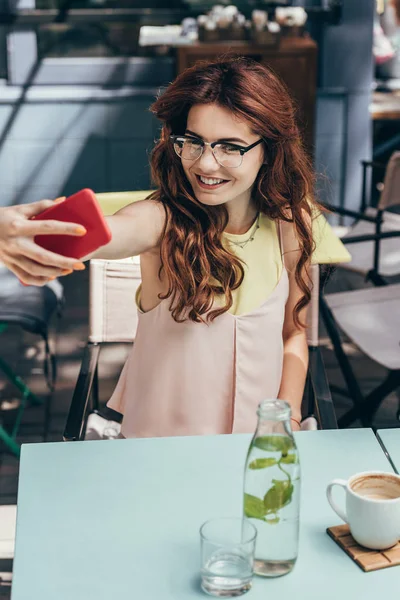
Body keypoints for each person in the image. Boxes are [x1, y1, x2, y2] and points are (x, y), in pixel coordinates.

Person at [0, 57, 320, 436]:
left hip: (256, 455)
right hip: (160, 458)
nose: (206, 164)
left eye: (230, 147)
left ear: (269, 148)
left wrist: (290, 418)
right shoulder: (162, 222)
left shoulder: (288, 222)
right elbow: (110, 231)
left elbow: (293, 334)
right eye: (193, 142)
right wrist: (15, 232)